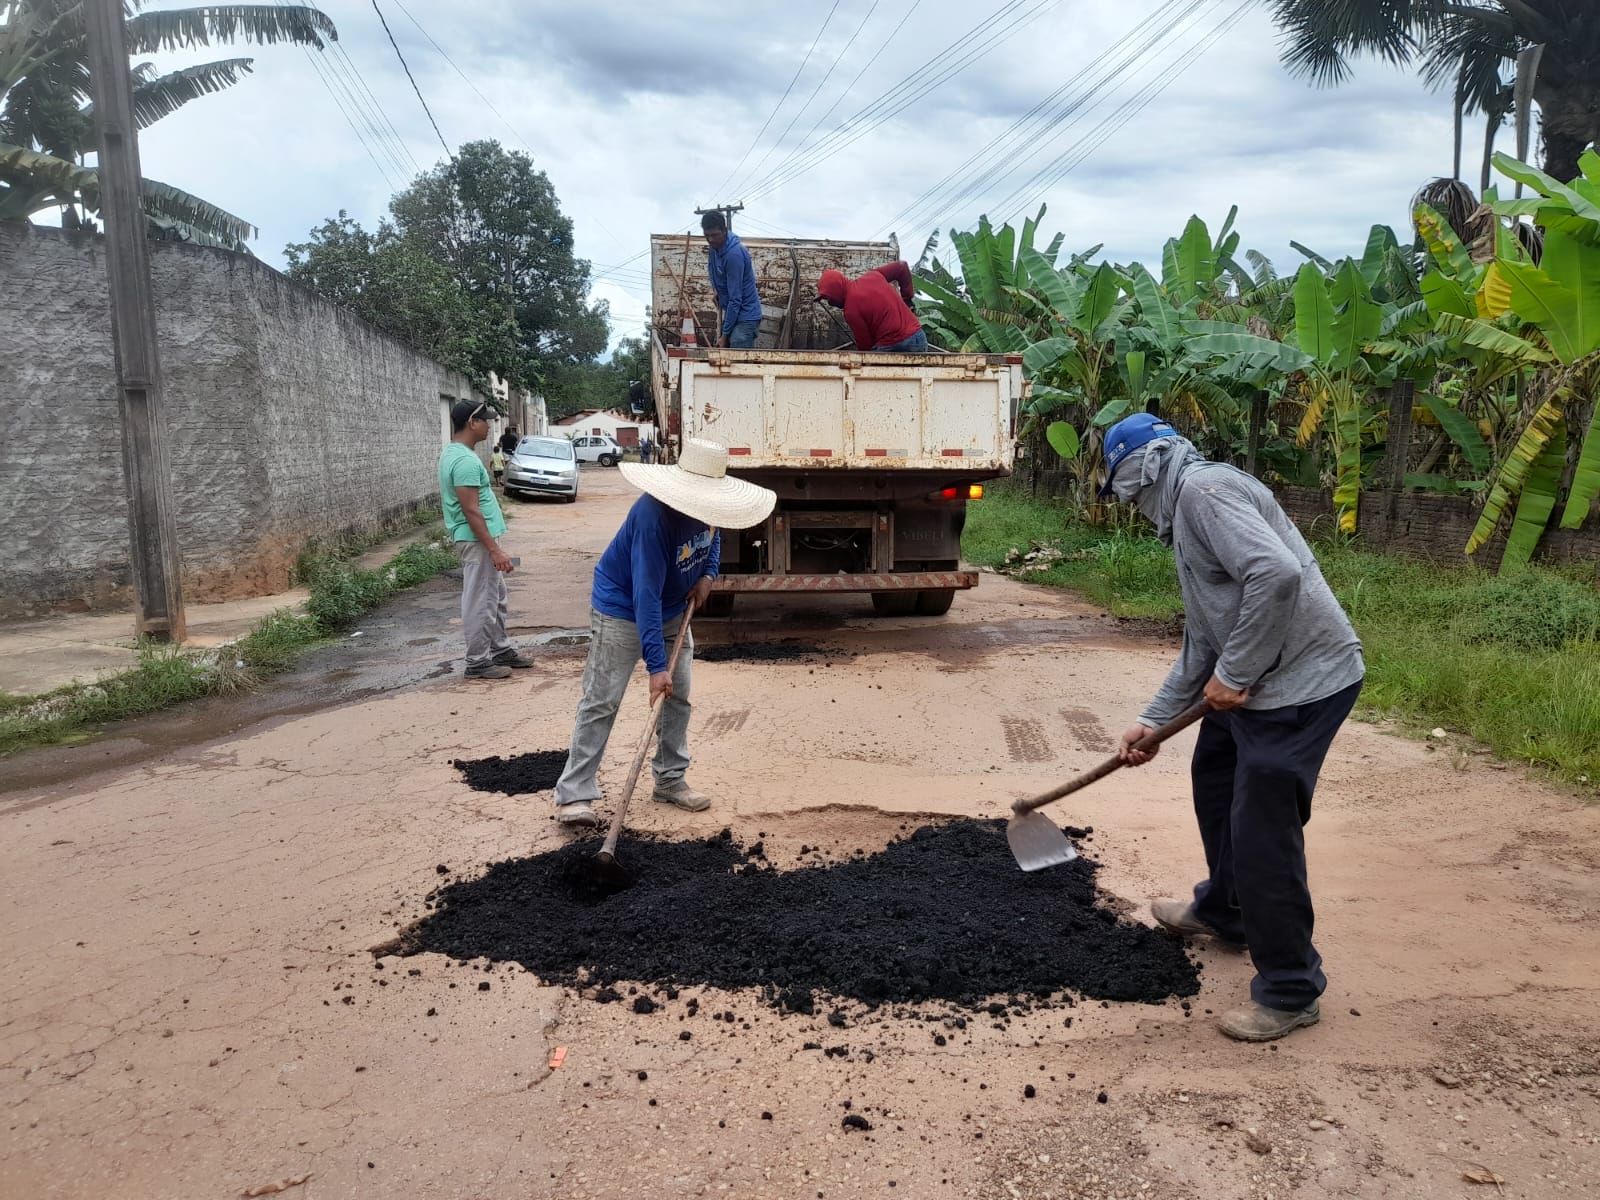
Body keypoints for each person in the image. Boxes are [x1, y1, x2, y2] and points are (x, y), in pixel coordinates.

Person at [1103, 413, 1365, 1042]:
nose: (1133, 508)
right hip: (1256, 686)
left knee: (1260, 830)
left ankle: (1290, 989)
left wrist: (1238, 670)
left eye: (1128, 493)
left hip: (1302, 683)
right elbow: (1204, 639)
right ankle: (1226, 910)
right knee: (1215, 778)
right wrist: (1153, 721)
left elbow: (1277, 573)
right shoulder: (1188, 512)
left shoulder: (1204, 492)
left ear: (1144, 469)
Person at [553, 439, 777, 827]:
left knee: (679, 698)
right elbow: (645, 597)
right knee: (602, 700)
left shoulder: (709, 508)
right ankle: (574, 793)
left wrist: (708, 576)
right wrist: (656, 668)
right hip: (622, 608)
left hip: (674, 608)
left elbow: (714, 536)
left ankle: (670, 780)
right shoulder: (652, 518)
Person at [439, 400, 533, 680]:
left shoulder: (456, 454)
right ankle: (478, 661)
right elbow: (471, 510)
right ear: (472, 423)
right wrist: (494, 550)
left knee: (496, 597)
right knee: (482, 599)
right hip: (477, 541)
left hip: (481, 540)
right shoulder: (465, 461)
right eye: (486, 421)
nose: (490, 426)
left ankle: (499, 649)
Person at [816, 264, 927, 352]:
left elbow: (865, 346)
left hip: (891, 346)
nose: (830, 303)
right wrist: (907, 299)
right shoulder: (873, 276)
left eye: (829, 299)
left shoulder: (850, 310)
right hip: (918, 337)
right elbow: (902, 267)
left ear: (836, 291)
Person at [701, 211, 764, 348]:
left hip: (746, 314)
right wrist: (716, 290)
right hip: (733, 312)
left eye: (714, 235)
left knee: (736, 344)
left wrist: (725, 336)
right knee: (725, 348)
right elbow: (712, 270)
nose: (710, 239)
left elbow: (735, 299)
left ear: (724, 231)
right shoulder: (714, 248)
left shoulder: (733, 255)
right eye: (707, 235)